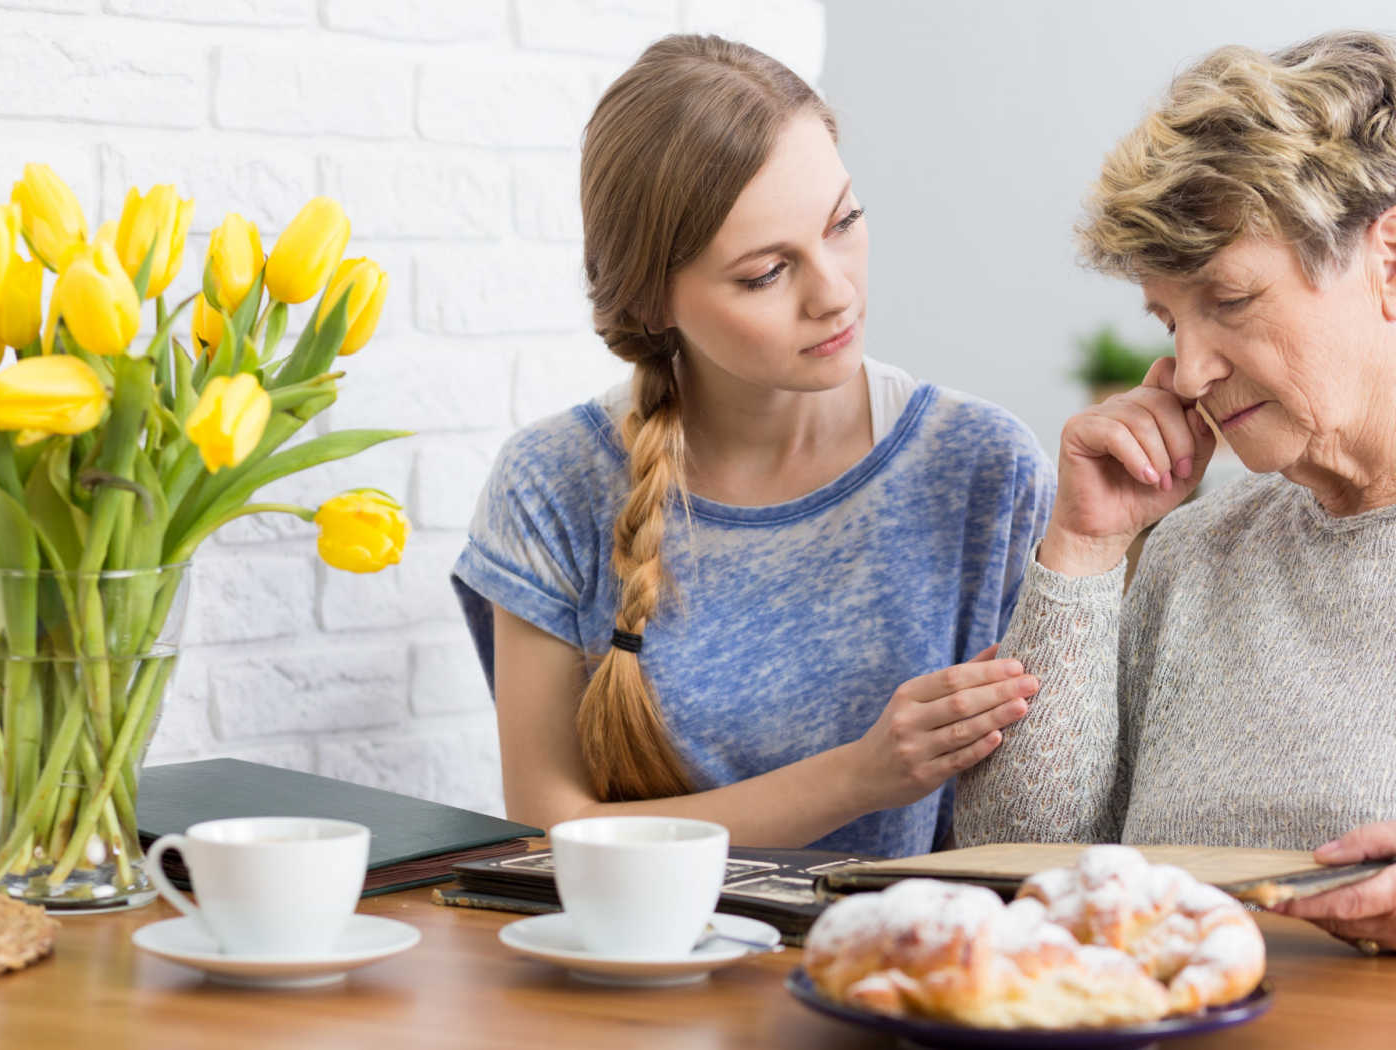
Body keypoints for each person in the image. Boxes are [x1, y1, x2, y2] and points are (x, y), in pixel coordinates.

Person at [954, 30, 1396, 955]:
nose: (1189, 370)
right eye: (1169, 319)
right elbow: (1019, 862)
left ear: (1395, 261)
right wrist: (1083, 551)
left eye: (1229, 302)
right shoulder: (1201, 546)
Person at [452, 35, 1055, 857]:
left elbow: (1046, 823)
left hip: (902, 977)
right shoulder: (552, 483)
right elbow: (550, 833)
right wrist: (861, 776)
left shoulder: (984, 469)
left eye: (843, 222)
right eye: (767, 273)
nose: (835, 293)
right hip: (631, 977)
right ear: (652, 299)